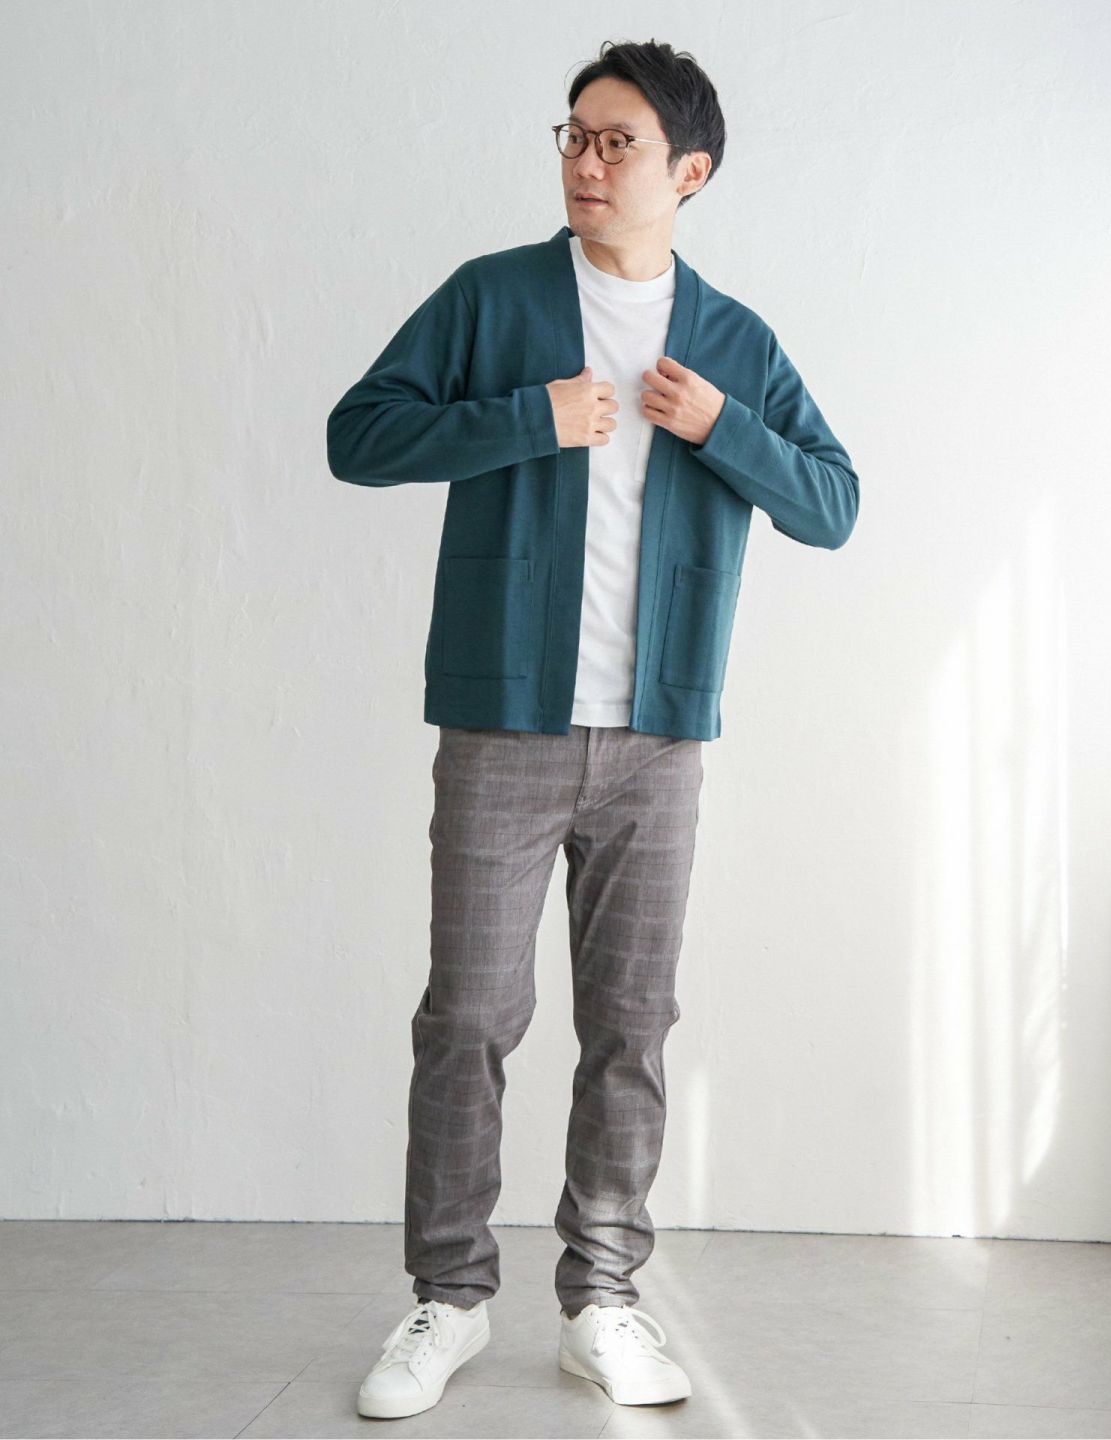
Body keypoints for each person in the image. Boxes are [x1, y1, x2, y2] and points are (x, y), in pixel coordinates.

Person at [327, 37, 859, 1422]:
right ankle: (449, 1297)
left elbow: (833, 504)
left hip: (656, 740)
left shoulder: (732, 341)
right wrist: (528, 418)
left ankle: (604, 1299)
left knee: (630, 1023)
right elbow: (358, 434)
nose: (585, 160)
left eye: (618, 141)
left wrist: (724, 426)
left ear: (690, 172)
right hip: (502, 724)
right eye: (572, 134)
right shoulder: (493, 298)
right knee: (468, 1018)